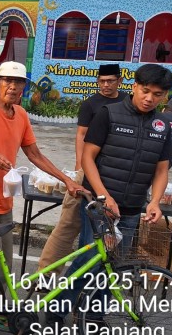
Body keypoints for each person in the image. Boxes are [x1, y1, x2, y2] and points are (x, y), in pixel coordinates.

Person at [0, 61, 81, 335]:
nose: (12, 87)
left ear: (24, 87)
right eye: (7, 81)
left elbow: (35, 155)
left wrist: (68, 180)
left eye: (18, 83)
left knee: (5, 266)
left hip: (4, 200)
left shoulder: (22, 116)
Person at [53, 64, 172, 328]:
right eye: (145, 91)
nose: (149, 98)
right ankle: (57, 312)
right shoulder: (109, 114)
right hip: (101, 208)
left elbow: (162, 169)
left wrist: (155, 201)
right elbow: (88, 158)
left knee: (115, 265)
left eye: (157, 94)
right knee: (89, 260)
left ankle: (94, 317)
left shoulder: (163, 125)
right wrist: (103, 196)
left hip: (131, 208)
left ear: (164, 96)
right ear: (134, 85)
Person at [37, 63, 127, 275]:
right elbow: (81, 135)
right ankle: (45, 274)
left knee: (109, 229)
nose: (106, 85)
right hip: (88, 170)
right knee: (69, 223)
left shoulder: (127, 103)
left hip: (115, 173)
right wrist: (80, 165)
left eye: (110, 81)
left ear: (120, 81)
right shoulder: (91, 104)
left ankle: (99, 277)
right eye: (102, 81)